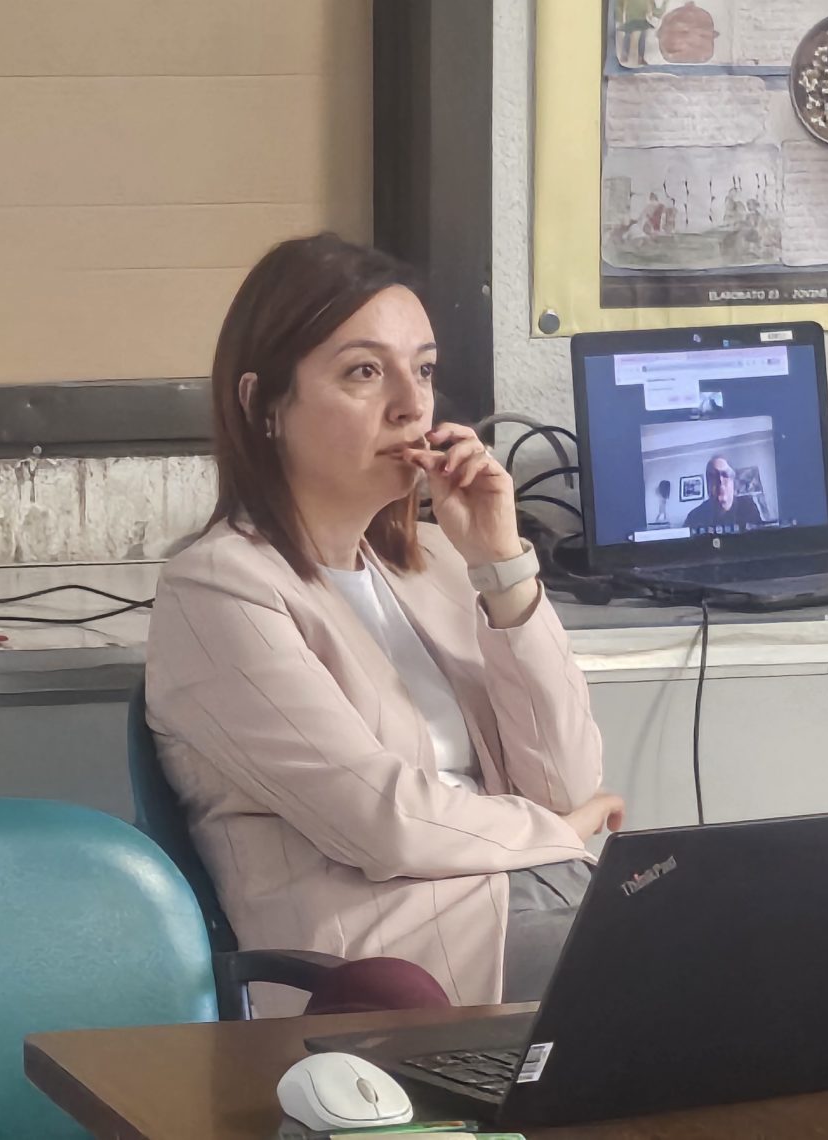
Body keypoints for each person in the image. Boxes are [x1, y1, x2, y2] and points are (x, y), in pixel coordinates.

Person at [145, 233, 623, 1017]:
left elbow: (565, 781)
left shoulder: (435, 564)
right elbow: (383, 822)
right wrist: (563, 833)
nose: (412, 404)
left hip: (527, 893)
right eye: (365, 372)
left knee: (757, 924)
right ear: (262, 406)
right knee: (698, 962)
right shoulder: (218, 589)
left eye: (423, 370)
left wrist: (502, 566)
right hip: (380, 956)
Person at [683, 455, 764, 531]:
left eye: (725, 475)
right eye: (714, 476)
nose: (720, 481)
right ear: (708, 484)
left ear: (733, 482)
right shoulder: (694, 516)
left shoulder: (748, 506)